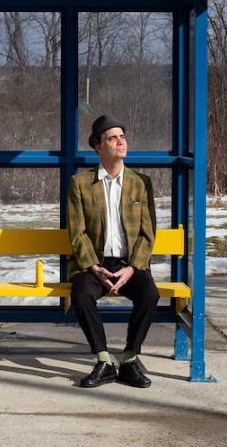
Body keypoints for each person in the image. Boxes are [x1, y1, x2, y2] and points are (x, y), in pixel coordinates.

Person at [67, 115, 158, 388]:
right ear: (98, 146)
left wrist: (133, 268)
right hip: (95, 264)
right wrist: (93, 266)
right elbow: (77, 232)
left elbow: (148, 233)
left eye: (122, 136)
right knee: (81, 294)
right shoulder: (81, 184)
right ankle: (104, 360)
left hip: (129, 264)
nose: (121, 142)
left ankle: (130, 359)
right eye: (112, 138)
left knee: (150, 294)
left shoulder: (141, 182)